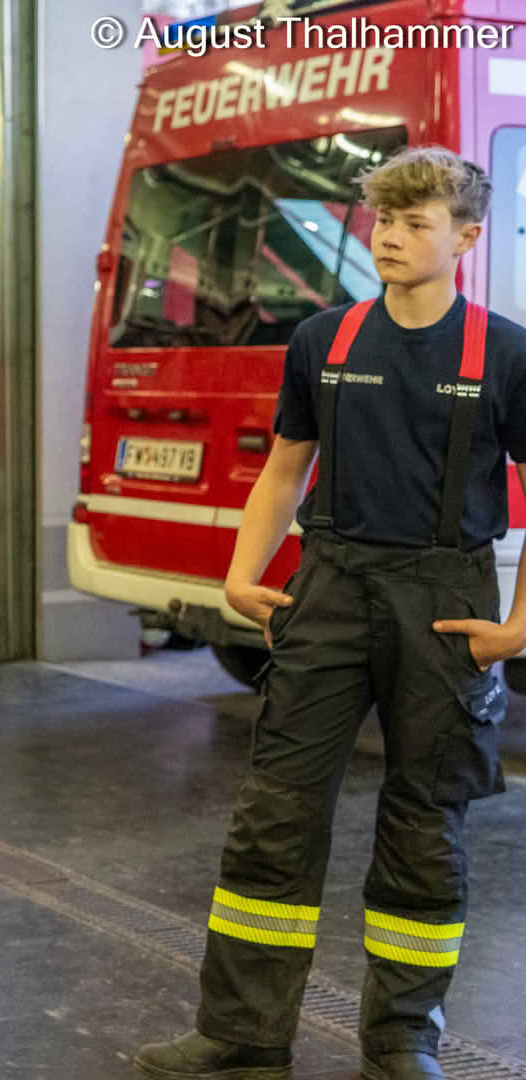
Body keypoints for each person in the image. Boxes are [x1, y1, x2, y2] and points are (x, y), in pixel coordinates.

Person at [135, 147, 522, 1080]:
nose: (391, 237)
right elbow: (284, 470)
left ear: (467, 239)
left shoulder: (507, 353)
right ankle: (243, 1031)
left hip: (446, 600)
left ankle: (401, 1039)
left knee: (426, 819)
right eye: (383, 219)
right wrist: (242, 573)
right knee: (275, 811)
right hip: (331, 585)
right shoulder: (324, 340)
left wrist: (519, 627)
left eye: (416, 223)